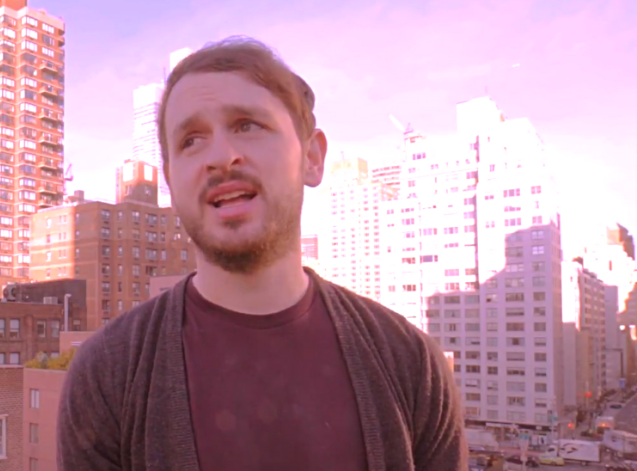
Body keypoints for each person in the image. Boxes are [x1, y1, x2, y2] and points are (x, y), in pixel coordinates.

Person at [57, 37, 466, 471]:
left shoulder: (410, 363)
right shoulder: (107, 373)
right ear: (172, 183)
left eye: (247, 124)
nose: (220, 157)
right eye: (191, 139)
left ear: (311, 156)